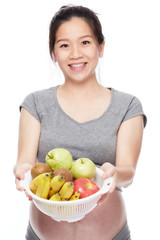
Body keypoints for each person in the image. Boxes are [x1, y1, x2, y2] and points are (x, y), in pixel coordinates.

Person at [13, 5, 147, 240]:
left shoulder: (127, 106)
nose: (75, 53)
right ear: (53, 53)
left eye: (85, 42)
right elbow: (24, 162)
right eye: (64, 45)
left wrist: (115, 173)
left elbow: (128, 172)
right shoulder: (35, 103)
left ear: (101, 47)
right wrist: (21, 171)